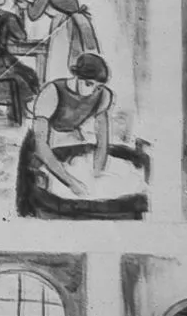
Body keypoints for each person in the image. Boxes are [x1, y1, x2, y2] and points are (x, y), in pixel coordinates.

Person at [23, 52, 120, 204]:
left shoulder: (103, 95)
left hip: (71, 139)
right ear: (77, 77)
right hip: (43, 145)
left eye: (99, 86)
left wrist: (97, 174)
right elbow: (41, 145)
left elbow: (103, 140)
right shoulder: (52, 92)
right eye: (89, 84)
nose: (94, 90)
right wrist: (71, 183)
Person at [18, 0, 100, 84]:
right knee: (75, 62)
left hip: (65, 25)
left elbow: (34, 14)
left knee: (60, 65)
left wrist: (25, 5)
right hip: (77, 20)